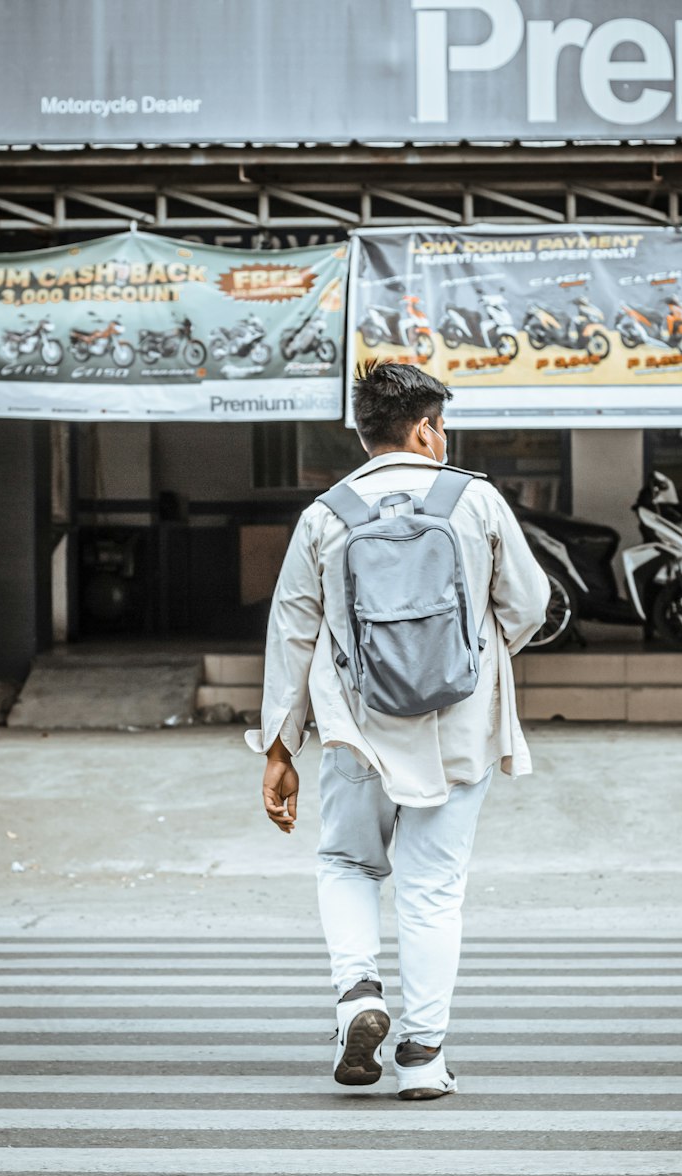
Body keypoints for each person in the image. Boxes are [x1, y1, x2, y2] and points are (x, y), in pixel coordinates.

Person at [246, 360, 550, 1100]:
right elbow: (531, 604)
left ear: (364, 433)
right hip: (458, 727)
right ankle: (423, 1057)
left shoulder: (326, 514)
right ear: (424, 427)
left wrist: (280, 748)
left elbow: (291, 633)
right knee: (432, 888)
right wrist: (469, 656)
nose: (442, 437)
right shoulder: (474, 501)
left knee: (349, 864)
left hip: (357, 725)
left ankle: (359, 996)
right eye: (440, 425)